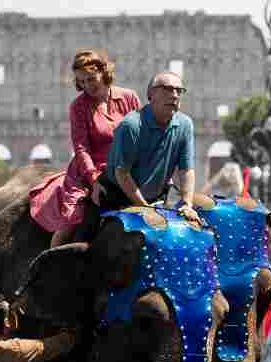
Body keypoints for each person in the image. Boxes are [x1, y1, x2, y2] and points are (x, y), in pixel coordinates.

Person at [29, 50, 142, 246]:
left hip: (128, 169)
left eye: (91, 78)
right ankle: (52, 264)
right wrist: (94, 180)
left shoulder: (129, 97)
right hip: (91, 173)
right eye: (82, 81)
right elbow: (81, 148)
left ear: (104, 72)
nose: (87, 85)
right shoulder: (78, 107)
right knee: (68, 227)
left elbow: (144, 137)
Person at [97, 70, 200, 225]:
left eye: (179, 91)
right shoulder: (131, 125)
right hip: (117, 197)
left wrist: (187, 204)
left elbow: (186, 169)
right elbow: (122, 173)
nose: (175, 95)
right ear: (151, 95)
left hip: (156, 199)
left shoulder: (185, 124)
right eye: (168, 89)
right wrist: (145, 208)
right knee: (86, 240)